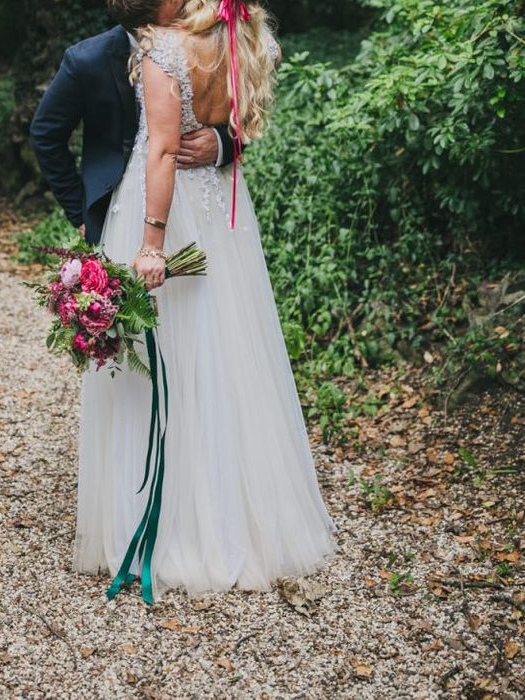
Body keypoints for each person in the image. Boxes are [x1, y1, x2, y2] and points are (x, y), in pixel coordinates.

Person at [45, 0, 337, 603]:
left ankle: (185, 523)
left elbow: (170, 149)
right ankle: (212, 513)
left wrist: (154, 237)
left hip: (172, 213)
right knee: (194, 353)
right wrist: (85, 219)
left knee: (209, 353)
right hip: (209, 217)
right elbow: (49, 136)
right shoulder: (237, 38)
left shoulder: (169, 49)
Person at [29, 2, 239, 246]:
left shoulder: (210, 43)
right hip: (117, 213)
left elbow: (247, 113)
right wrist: (79, 211)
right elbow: (45, 134)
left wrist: (223, 143)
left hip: (203, 205)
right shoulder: (87, 60)